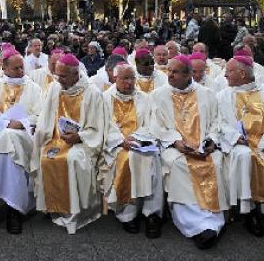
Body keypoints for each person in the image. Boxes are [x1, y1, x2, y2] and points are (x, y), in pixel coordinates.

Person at [149, 55, 228, 249]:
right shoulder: (158, 95)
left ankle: (213, 223)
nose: (170, 75)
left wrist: (211, 142)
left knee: (216, 163)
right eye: (169, 71)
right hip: (176, 148)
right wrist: (175, 141)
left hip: (203, 148)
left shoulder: (206, 94)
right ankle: (194, 225)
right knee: (179, 165)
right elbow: (155, 126)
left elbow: (217, 123)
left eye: (175, 72)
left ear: (188, 74)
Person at [32, 53, 105, 234]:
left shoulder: (92, 92)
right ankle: (52, 207)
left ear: (76, 74)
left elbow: (98, 128)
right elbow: (46, 117)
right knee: (46, 155)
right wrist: (42, 134)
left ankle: (75, 211)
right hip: (56, 138)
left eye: (63, 76)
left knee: (72, 158)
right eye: (57, 75)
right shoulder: (54, 88)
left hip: (82, 142)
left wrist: (80, 136)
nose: (58, 79)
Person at [0, 49, 42, 234]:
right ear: (4, 68)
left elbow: (40, 115)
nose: (21, 71)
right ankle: (14, 211)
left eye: (22, 67)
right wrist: (8, 123)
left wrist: (22, 123)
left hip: (25, 136)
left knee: (9, 139)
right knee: (8, 145)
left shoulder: (34, 88)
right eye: (15, 68)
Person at [102, 64, 163, 237]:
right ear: (115, 79)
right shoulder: (104, 98)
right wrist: (121, 140)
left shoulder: (145, 98)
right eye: (125, 79)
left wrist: (139, 138)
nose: (129, 83)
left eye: (132, 78)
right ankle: (128, 213)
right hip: (116, 145)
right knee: (127, 159)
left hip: (141, 142)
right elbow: (102, 125)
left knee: (153, 158)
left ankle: (152, 214)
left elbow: (153, 123)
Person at [217, 56, 264, 237]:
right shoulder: (223, 96)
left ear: (242, 74)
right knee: (245, 155)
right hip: (238, 143)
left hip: (261, 141)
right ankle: (250, 210)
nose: (225, 75)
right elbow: (218, 122)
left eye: (228, 71)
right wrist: (234, 137)